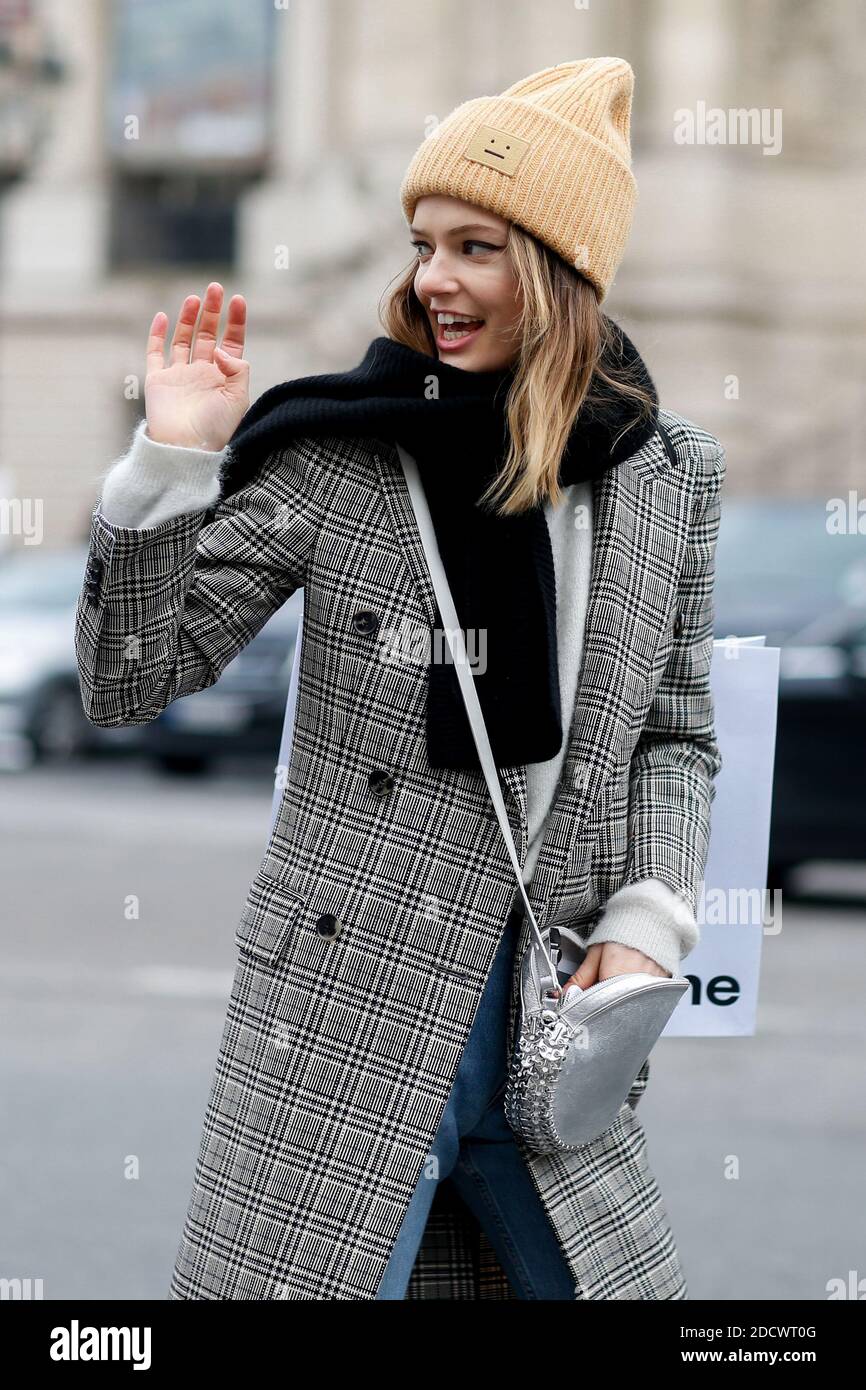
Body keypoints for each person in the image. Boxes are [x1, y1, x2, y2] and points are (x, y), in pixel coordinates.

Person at [76, 57, 725, 1300]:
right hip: (341, 1019)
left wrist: (649, 923)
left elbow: (673, 731)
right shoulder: (344, 454)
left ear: (557, 267)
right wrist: (166, 465)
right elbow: (127, 680)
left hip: (545, 1015)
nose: (433, 280)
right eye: (424, 243)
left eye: (476, 247)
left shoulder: (665, 471)